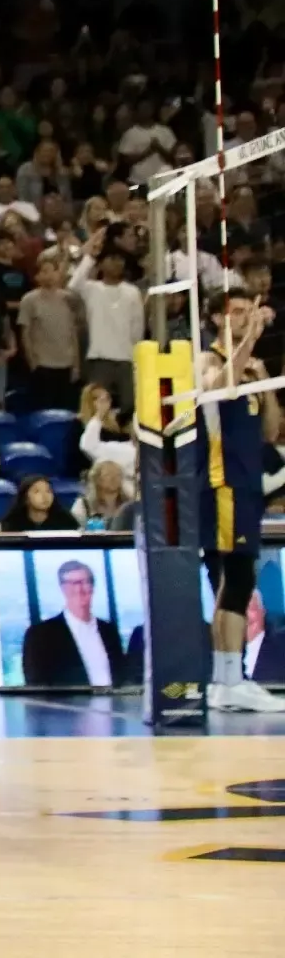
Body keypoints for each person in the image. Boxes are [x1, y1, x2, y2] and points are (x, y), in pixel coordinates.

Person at [197, 288, 285, 713]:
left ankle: (228, 678)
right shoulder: (208, 359)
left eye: (249, 313)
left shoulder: (253, 367)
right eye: (235, 313)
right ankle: (230, 679)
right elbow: (218, 388)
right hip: (222, 482)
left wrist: (265, 385)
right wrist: (249, 337)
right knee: (232, 579)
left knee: (238, 580)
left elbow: (270, 432)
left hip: (250, 483)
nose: (244, 320)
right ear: (216, 318)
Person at [21, 559, 124, 687]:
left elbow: (122, 679)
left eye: (85, 582)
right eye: (73, 583)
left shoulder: (109, 631)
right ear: (62, 588)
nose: (80, 589)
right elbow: (36, 687)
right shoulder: (41, 635)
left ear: (93, 587)